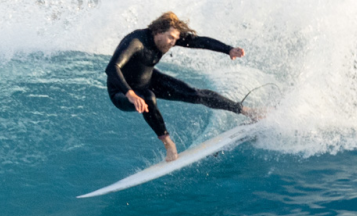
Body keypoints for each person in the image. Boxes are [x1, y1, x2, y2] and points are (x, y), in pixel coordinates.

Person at [105, 11, 262, 160]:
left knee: (196, 94)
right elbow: (112, 68)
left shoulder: (165, 38)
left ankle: (247, 111)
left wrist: (228, 50)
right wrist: (130, 93)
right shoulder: (136, 41)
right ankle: (168, 144)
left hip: (148, 79)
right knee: (148, 98)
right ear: (158, 31)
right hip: (120, 91)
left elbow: (198, 41)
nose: (173, 42)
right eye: (171, 38)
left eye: (175, 39)